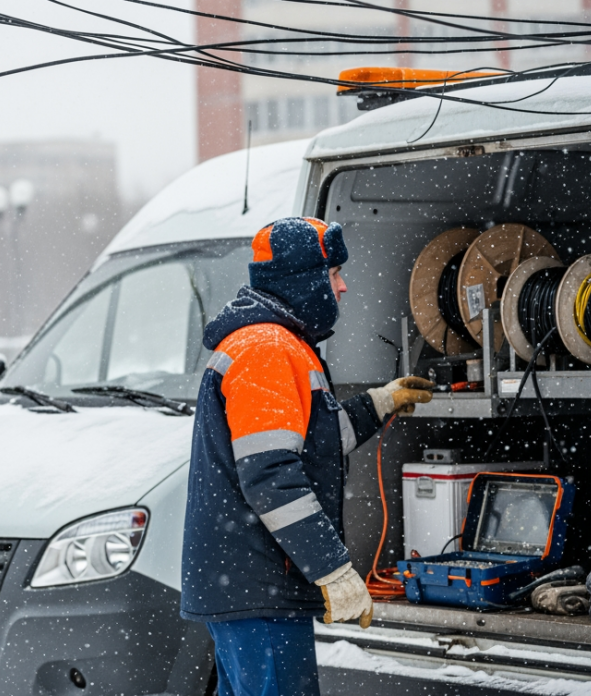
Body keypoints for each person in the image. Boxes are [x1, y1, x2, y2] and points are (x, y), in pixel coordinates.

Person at [181, 217, 433, 696]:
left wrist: (378, 403)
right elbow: (272, 475)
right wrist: (333, 570)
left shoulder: (276, 344)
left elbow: (308, 444)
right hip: (259, 590)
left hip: (246, 588)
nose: (342, 287)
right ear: (304, 280)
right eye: (333, 273)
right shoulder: (267, 349)